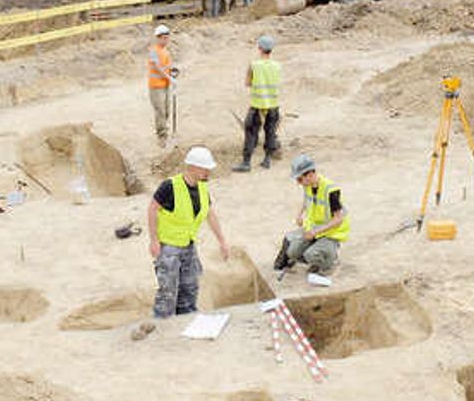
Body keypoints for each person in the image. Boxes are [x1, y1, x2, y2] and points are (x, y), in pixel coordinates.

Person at [147, 146, 230, 318]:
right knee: (168, 291)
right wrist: (154, 240)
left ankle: (186, 320)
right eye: (205, 168)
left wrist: (222, 241)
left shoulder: (201, 188)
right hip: (169, 247)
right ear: (192, 167)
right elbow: (152, 209)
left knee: (190, 287)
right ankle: (163, 326)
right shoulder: (170, 186)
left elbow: (209, 213)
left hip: (189, 246)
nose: (208, 172)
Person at [273, 154, 349, 275]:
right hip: (314, 229)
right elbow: (307, 199)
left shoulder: (330, 190)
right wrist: (299, 215)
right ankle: (316, 257)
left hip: (330, 233)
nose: (298, 183)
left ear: (309, 175)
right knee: (293, 252)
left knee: (311, 254)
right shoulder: (308, 185)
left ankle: (330, 262)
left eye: (299, 179)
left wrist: (315, 232)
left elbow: (338, 219)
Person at [232, 36, 280, 172]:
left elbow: (247, 83)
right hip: (273, 105)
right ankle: (267, 160)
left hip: (258, 105)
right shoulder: (277, 66)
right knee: (270, 132)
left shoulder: (254, 65)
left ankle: (246, 163)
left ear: (259, 48)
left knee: (251, 132)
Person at [147, 24, 174, 146]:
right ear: (158, 38)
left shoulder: (166, 51)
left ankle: (164, 130)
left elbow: (168, 66)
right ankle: (162, 135)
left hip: (166, 85)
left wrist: (172, 74)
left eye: (167, 37)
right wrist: (168, 77)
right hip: (156, 86)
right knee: (160, 111)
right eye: (163, 38)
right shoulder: (154, 51)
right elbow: (157, 67)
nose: (166, 40)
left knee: (167, 110)